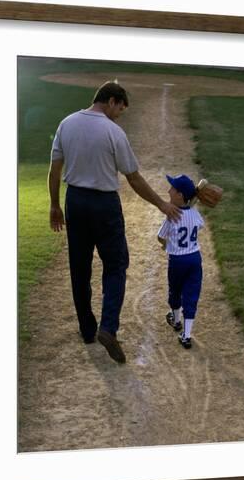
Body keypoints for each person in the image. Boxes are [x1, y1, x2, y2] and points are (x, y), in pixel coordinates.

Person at [48, 81, 181, 364]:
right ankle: (108, 328)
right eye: (119, 109)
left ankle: (87, 329)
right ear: (111, 101)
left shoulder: (66, 123)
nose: (118, 115)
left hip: (75, 201)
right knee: (116, 265)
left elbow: (55, 168)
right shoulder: (113, 132)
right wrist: (162, 204)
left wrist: (54, 205)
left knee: (79, 267)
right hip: (104, 205)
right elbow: (133, 178)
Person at [157, 174, 204, 349]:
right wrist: (190, 211)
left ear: (180, 196)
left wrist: (166, 244)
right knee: (191, 295)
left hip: (177, 260)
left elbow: (160, 237)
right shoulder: (195, 213)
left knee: (175, 291)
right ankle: (187, 335)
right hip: (194, 259)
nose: (169, 190)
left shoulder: (171, 215)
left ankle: (176, 320)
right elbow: (199, 224)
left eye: (173, 189)